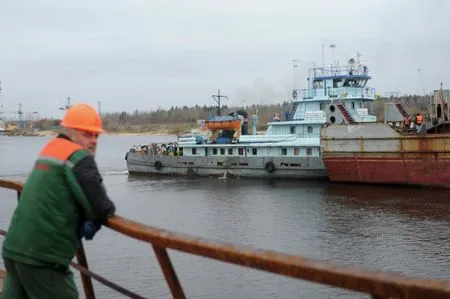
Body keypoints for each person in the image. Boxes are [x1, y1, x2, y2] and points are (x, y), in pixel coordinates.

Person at [1, 103, 116, 299]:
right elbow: (103, 207)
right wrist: (91, 220)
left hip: (14, 250)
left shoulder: (50, 150)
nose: (94, 140)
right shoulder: (80, 158)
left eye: (96, 135)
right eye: (87, 134)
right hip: (42, 259)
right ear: (70, 131)